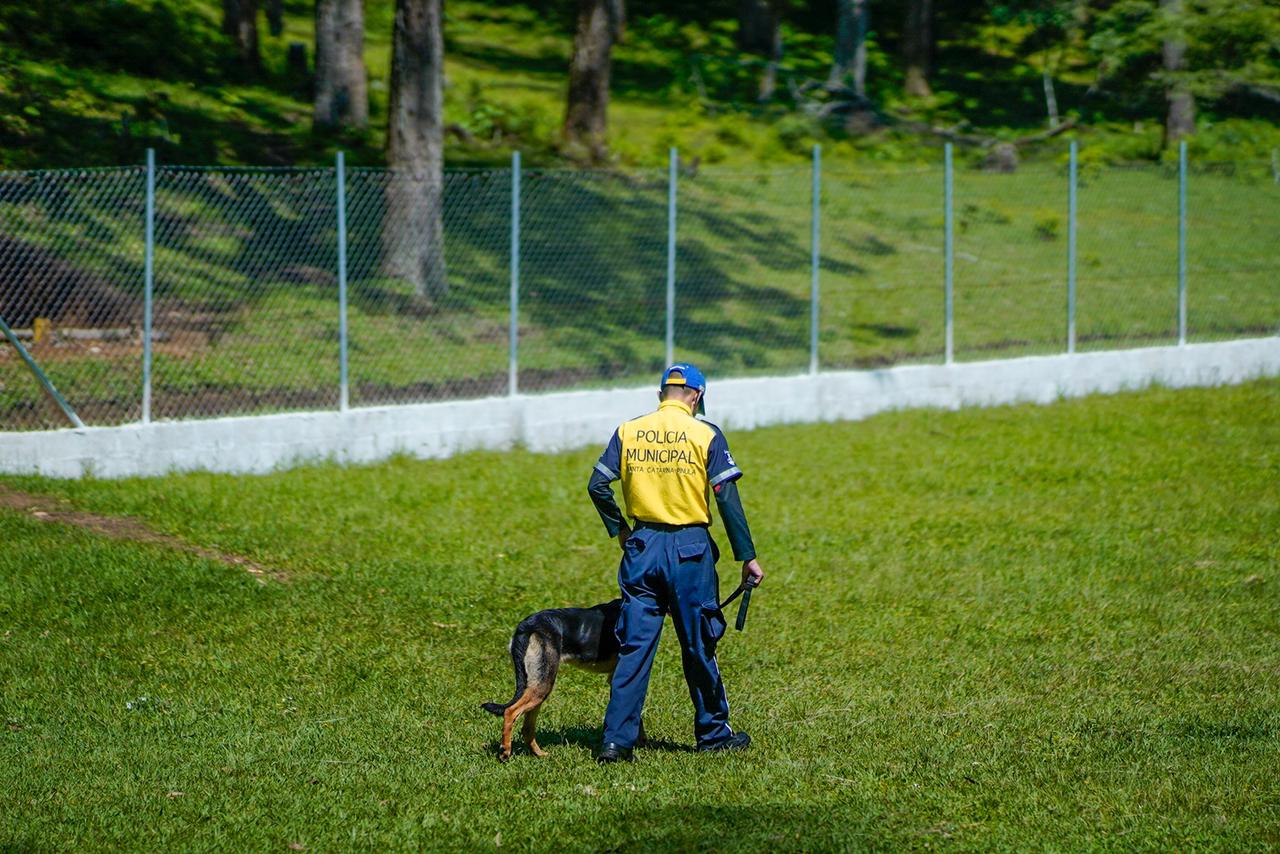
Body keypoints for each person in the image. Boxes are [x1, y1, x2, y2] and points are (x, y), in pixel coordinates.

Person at [587, 362, 764, 763]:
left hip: (642, 547)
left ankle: (616, 742)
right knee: (699, 643)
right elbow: (725, 496)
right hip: (691, 552)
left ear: (660, 394)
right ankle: (713, 734)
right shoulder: (706, 434)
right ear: (696, 397)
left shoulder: (628, 431)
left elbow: (597, 484)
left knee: (634, 647)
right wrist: (747, 556)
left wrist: (619, 529)